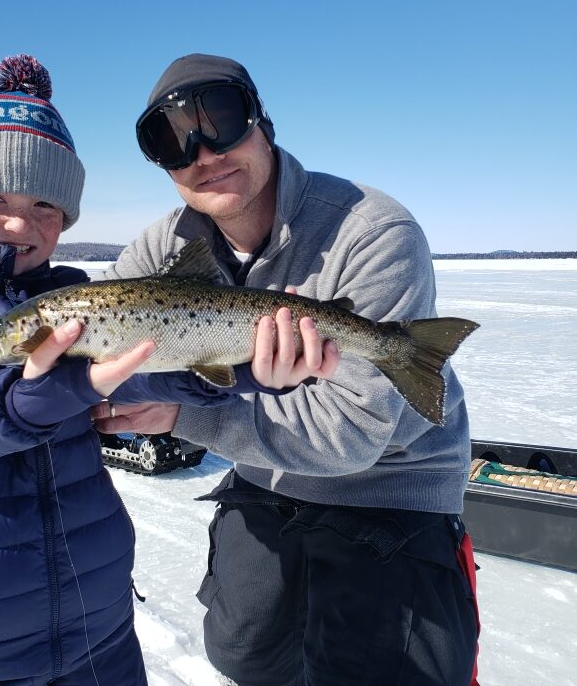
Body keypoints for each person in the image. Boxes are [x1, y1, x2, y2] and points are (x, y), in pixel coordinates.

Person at [0, 54, 316, 686]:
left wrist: (250, 368)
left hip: (102, 632)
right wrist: (55, 388)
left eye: (47, 206)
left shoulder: (72, 292)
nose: (20, 223)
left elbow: (148, 371)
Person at [93, 53, 481, 686]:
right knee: (241, 655)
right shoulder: (162, 251)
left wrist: (183, 413)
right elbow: (84, 328)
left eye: (220, 120)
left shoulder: (371, 230)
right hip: (263, 486)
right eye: (170, 140)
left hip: (389, 496)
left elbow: (352, 435)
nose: (204, 153)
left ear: (261, 122)